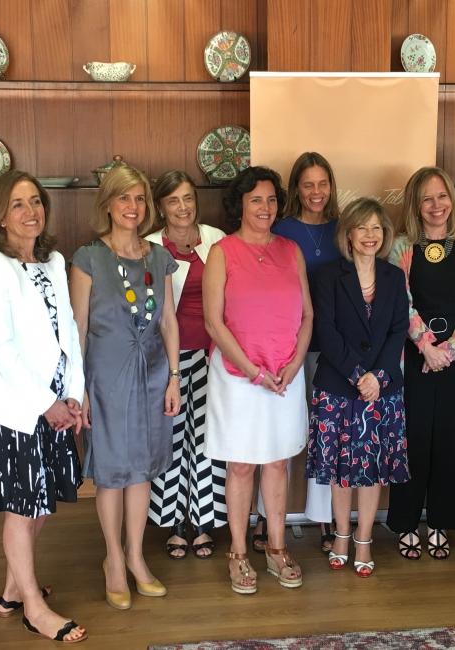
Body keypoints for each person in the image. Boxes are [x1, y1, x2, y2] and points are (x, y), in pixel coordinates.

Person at [0, 170, 87, 643]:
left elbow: (69, 336)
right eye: (17, 204)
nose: (30, 211)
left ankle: (13, 589)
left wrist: (73, 393)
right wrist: (47, 404)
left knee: (40, 503)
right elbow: (1, 347)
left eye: (35, 201)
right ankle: (34, 607)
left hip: (57, 403)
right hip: (14, 409)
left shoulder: (54, 262)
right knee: (22, 506)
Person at [70, 165, 181, 610]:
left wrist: (174, 376)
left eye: (139, 198)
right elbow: (76, 329)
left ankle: (136, 556)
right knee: (112, 474)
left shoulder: (158, 256)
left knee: (142, 469)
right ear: (108, 205)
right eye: (123, 199)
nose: (132, 207)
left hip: (153, 376)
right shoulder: (88, 257)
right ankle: (113, 558)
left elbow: (169, 321)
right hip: (105, 380)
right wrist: (77, 392)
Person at [203, 166, 312, 594]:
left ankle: (277, 548)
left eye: (270, 200)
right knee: (242, 463)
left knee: (278, 462)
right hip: (239, 377)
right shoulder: (223, 251)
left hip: (285, 375)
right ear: (240, 205)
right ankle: (238, 552)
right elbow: (214, 322)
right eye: (255, 200)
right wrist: (252, 370)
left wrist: (295, 363)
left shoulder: (290, 250)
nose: (264, 208)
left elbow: (307, 315)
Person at [386, 167, 455, 560]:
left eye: (442, 196)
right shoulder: (401, 247)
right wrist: (428, 347)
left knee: (449, 441)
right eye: (427, 198)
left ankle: (442, 520)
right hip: (414, 359)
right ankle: (407, 522)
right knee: (412, 441)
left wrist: (451, 350)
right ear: (415, 203)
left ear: (452, 199)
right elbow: (401, 301)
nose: (436, 206)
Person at [306, 197, 410, 577]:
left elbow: (399, 330)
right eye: (362, 227)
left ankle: (364, 538)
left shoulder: (394, 276)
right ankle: (342, 535)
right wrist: (356, 373)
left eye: (376, 228)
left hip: (382, 389)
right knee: (340, 469)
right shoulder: (328, 275)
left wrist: (377, 377)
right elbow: (326, 331)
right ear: (348, 234)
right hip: (338, 385)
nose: (370, 235)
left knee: (373, 467)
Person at [146, 171, 227, 560]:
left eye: (188, 199)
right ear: (161, 206)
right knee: (174, 438)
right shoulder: (147, 246)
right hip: (167, 357)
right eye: (174, 200)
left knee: (208, 437)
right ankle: (175, 522)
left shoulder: (217, 240)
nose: (183, 207)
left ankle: (206, 521)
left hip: (214, 353)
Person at [271, 151, 342, 554]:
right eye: (308, 184)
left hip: (331, 350)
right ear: (296, 188)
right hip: (287, 349)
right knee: (279, 435)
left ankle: (323, 519)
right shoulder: (280, 230)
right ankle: (268, 518)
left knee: (325, 436)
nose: (316, 192)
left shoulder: (343, 229)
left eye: (323, 183)